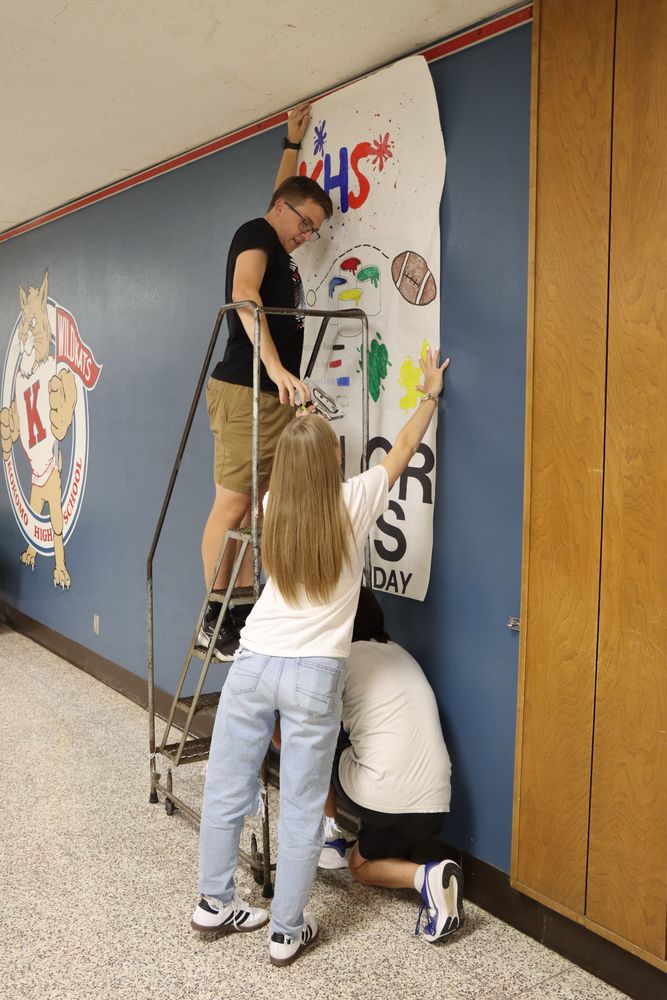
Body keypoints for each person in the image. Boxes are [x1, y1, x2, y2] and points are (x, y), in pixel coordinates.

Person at [191, 348, 450, 967]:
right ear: (333, 460)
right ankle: (286, 933)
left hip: (253, 663)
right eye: (335, 450)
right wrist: (430, 397)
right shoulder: (353, 503)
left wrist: (301, 413)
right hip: (312, 676)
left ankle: (211, 902)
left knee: (227, 788)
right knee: (305, 805)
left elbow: (301, 456)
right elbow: (402, 452)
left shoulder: (270, 507)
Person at [199, 101, 334, 658]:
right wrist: (278, 368)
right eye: (305, 223)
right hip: (246, 387)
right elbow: (244, 292)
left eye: (316, 229)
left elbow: (284, 199)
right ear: (282, 212)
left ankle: (243, 604)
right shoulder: (256, 233)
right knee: (231, 505)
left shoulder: (273, 229)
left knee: (255, 504)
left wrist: (292, 145)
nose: (308, 234)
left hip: (267, 392)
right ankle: (213, 615)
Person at [318, 586, 464, 944]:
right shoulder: (400, 653)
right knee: (360, 864)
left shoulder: (341, 661)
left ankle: (330, 834)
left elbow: (306, 729)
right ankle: (427, 877)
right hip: (434, 807)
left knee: (316, 739)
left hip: (384, 797)